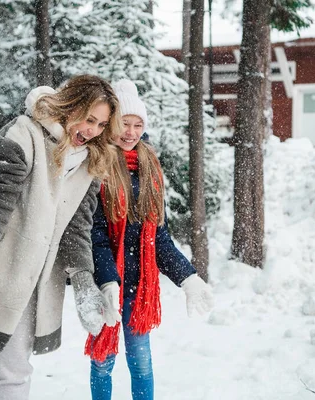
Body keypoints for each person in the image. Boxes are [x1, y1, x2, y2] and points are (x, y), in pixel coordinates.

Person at [0, 74, 125, 400]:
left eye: (102, 125)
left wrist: (85, 282)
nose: (93, 131)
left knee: (16, 375)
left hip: (33, 285)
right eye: (89, 119)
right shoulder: (24, 134)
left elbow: (77, 227)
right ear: (70, 106)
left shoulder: (90, 162)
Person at [85, 80, 214, 400]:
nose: (130, 132)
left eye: (137, 125)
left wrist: (188, 277)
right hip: (107, 285)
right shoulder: (94, 165)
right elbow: (94, 234)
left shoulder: (150, 168)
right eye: (124, 124)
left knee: (141, 363)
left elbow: (160, 238)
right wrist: (107, 282)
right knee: (103, 362)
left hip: (139, 286)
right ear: (111, 124)